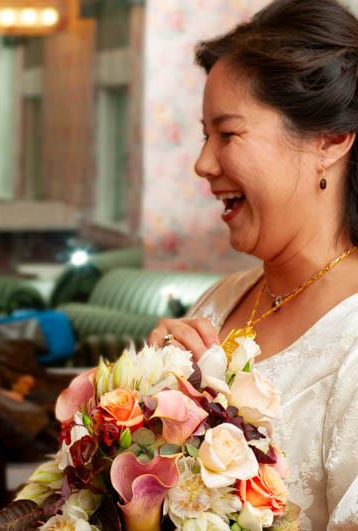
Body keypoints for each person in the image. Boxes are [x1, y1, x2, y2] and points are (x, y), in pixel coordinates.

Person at [147, 1, 358, 529]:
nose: (202, 164)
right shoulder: (220, 300)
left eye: (228, 134)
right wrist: (148, 395)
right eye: (204, 135)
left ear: (328, 140)